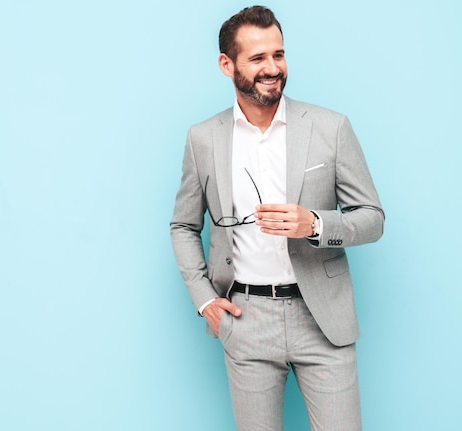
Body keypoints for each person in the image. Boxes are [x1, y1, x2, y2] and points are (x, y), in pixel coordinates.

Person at [170, 5, 384, 431]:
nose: (273, 68)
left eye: (279, 55)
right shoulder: (203, 139)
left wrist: (317, 226)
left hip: (323, 319)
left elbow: (372, 218)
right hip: (245, 319)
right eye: (258, 58)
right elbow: (183, 225)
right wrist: (205, 300)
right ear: (226, 65)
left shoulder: (330, 127)